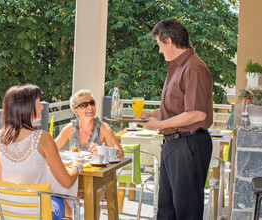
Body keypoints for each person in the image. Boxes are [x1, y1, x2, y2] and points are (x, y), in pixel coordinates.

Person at [138, 18, 213, 219]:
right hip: (174, 145)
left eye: (159, 45)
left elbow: (197, 113)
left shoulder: (194, 68)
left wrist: (159, 124)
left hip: (188, 144)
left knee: (186, 211)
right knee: (167, 210)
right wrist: (151, 115)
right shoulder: (178, 67)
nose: (160, 50)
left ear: (169, 40)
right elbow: (179, 108)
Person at [0, 84, 81, 220]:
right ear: (27, 107)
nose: (42, 106)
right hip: (37, 215)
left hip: (8, 214)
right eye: (38, 102)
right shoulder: (43, 138)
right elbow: (67, 182)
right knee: (64, 203)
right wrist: (76, 166)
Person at [55, 88, 124, 219]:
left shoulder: (103, 128)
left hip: (99, 180)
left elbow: (120, 154)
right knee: (53, 191)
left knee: (92, 194)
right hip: (75, 179)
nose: (90, 107)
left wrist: (103, 150)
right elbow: (52, 148)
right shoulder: (70, 129)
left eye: (92, 103)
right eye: (84, 105)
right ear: (76, 110)